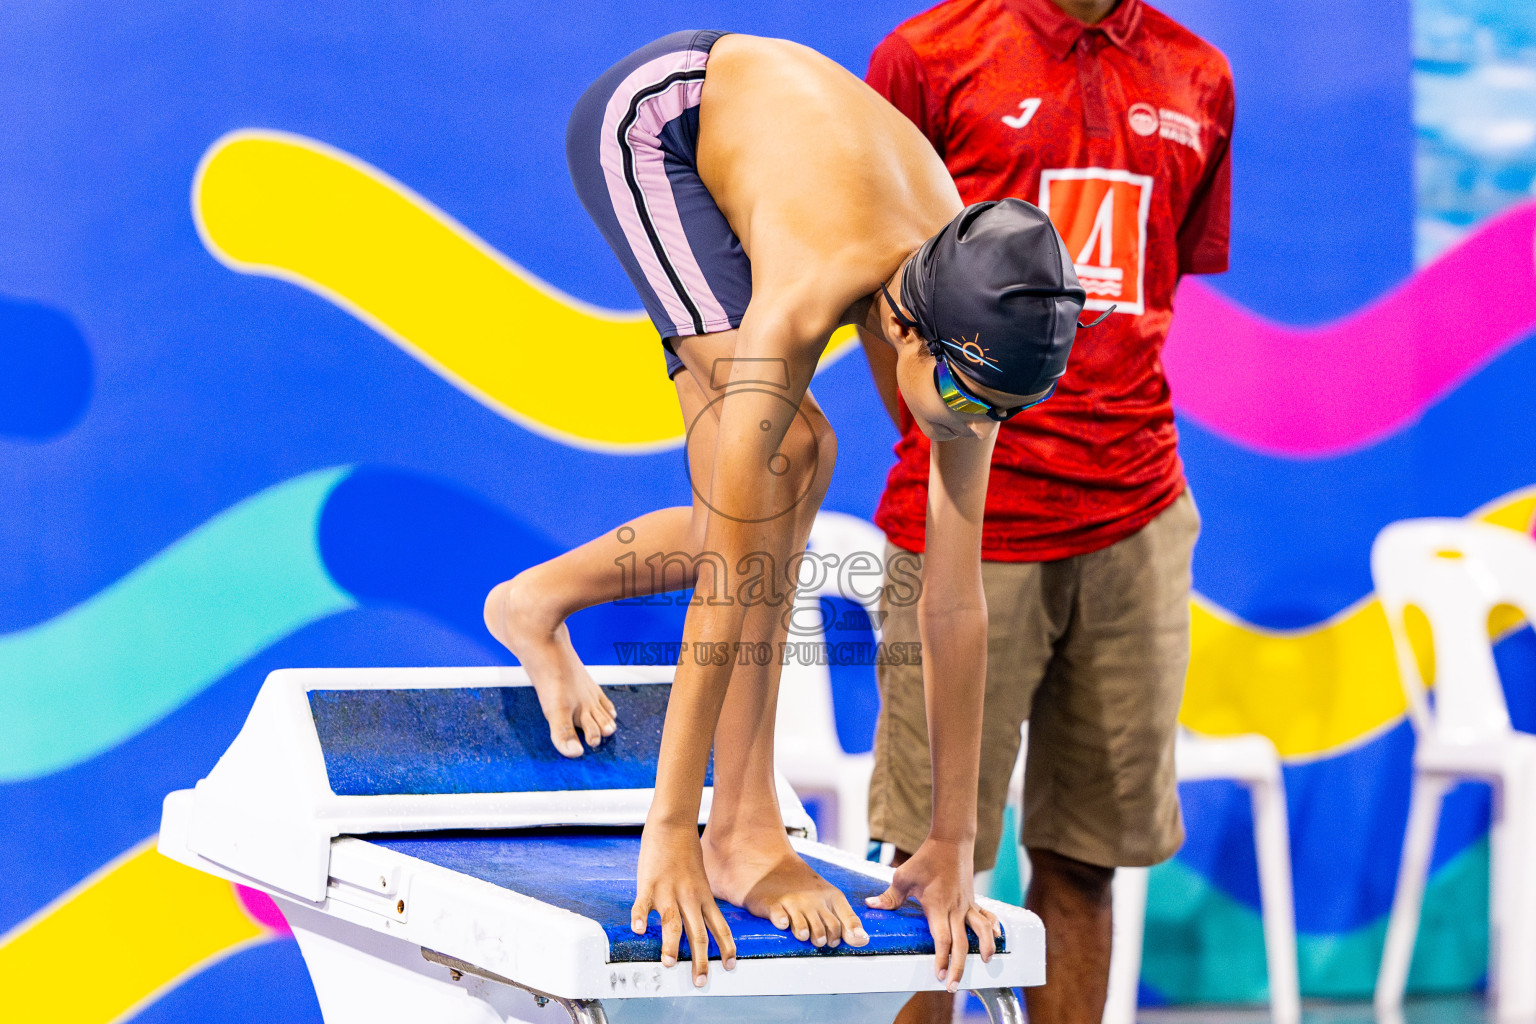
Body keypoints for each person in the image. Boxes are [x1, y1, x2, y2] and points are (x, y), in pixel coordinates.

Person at [482, 30, 1098, 990]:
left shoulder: (977, 333)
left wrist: (952, 841)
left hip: (784, 153)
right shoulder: (809, 293)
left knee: (777, 474)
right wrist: (669, 831)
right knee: (783, 461)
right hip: (657, 127)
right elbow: (729, 579)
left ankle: (542, 611)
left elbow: (953, 603)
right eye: (974, 404)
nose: (981, 428)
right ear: (907, 326)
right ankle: (730, 827)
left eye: (1003, 412)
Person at [859, 1, 1233, 1022]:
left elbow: (1153, 294)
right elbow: (875, 288)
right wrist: (951, 432)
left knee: (1087, 862)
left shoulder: (1201, 76)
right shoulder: (927, 59)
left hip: (1138, 513)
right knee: (924, 878)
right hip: (970, 526)